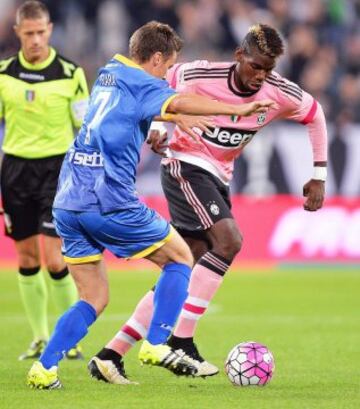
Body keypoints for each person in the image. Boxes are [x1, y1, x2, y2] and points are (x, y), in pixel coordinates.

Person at [26, 20, 275, 389]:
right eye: (167, 65)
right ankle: (156, 344)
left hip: (68, 202)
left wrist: (171, 116)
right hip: (107, 199)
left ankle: (44, 369)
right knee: (180, 258)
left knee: (93, 298)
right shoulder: (147, 82)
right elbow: (176, 96)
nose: (167, 75)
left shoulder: (110, 73)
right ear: (156, 57)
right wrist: (237, 110)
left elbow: (134, 109)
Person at [90, 23, 328, 382]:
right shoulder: (198, 72)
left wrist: (319, 175)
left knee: (183, 266)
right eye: (254, 66)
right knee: (229, 241)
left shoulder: (279, 92)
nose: (259, 76)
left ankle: (112, 353)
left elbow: (316, 115)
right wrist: (158, 128)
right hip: (185, 166)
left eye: (267, 70)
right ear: (239, 56)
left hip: (218, 177)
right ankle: (182, 340)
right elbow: (157, 85)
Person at [0, 1, 89, 360]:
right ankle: (39, 336)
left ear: (50, 29)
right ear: (18, 32)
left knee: (55, 259)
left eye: (41, 32)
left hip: (57, 171)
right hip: (16, 171)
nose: (36, 39)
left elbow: (83, 127)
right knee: (25, 257)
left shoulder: (70, 73)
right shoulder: (4, 74)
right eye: (29, 33)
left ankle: (68, 339)